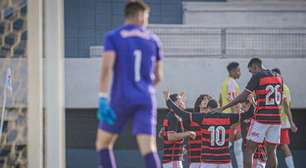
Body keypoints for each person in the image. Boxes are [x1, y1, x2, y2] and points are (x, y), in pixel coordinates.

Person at [95, 1, 163, 168]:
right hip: (146, 98)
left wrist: (103, 98)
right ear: (140, 16)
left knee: (103, 143)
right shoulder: (153, 39)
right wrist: (145, 89)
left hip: (121, 97)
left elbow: (106, 69)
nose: (146, 21)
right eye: (147, 17)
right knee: (149, 148)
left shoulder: (113, 37)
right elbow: (159, 76)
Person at [163, 90, 255, 168]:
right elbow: (248, 114)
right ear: (218, 107)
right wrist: (252, 103)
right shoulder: (227, 117)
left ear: (208, 108)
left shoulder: (203, 118)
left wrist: (168, 100)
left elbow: (181, 113)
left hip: (208, 160)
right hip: (224, 160)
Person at [220, 58, 284, 168]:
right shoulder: (278, 77)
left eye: (250, 71)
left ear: (255, 67)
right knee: (272, 151)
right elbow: (280, 100)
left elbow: (243, 96)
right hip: (277, 119)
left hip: (262, 118)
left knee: (249, 149)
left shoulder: (258, 76)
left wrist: (224, 107)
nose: (251, 74)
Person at [159, 93, 196, 168]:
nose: (183, 101)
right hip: (173, 160)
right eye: (180, 99)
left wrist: (180, 147)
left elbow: (161, 134)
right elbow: (171, 136)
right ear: (174, 103)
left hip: (171, 159)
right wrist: (188, 133)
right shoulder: (173, 116)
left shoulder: (173, 115)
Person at [271, 68, 298, 168]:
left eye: (276, 75)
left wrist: (291, 123)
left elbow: (287, 106)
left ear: (280, 76)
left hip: (281, 123)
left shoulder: (284, 88)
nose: (275, 78)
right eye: (273, 76)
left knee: (283, 146)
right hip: (270, 122)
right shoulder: (271, 87)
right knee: (269, 147)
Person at [219, 62, 243, 168]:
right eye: (238, 70)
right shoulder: (231, 83)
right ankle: (218, 163)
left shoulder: (225, 82)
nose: (239, 72)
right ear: (232, 71)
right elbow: (233, 101)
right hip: (231, 118)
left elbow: (220, 100)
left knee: (238, 144)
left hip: (229, 116)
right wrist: (235, 118)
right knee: (228, 144)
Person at [240, 95, 267, 168]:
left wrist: (253, 103)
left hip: (259, 156)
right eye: (241, 107)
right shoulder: (242, 117)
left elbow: (261, 114)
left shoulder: (257, 117)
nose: (242, 109)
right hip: (249, 155)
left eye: (244, 106)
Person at [189, 95, 212, 168]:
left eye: (208, 100)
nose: (206, 101)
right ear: (199, 104)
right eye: (204, 99)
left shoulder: (213, 119)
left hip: (209, 160)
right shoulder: (191, 118)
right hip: (195, 161)